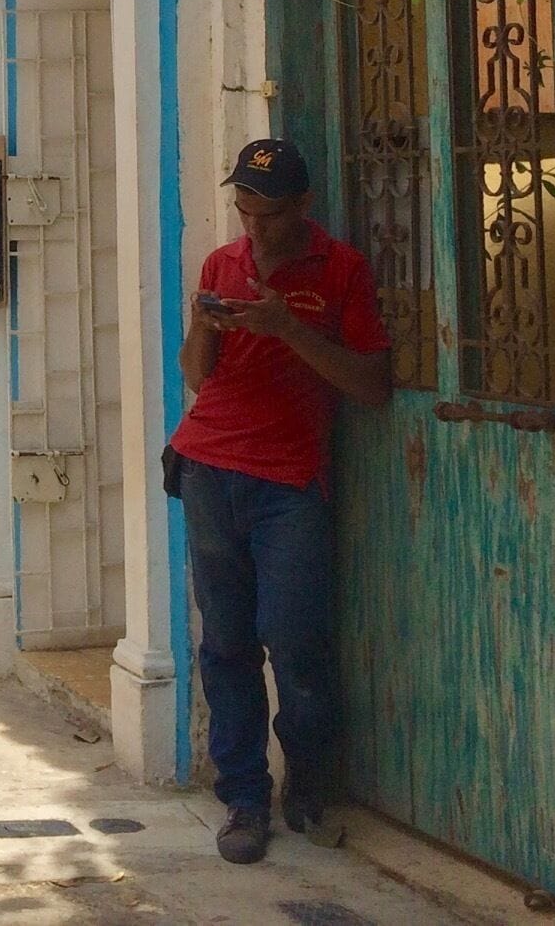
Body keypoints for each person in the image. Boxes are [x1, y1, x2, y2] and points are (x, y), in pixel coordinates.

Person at [170, 138, 391, 866]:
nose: (253, 231)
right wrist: (207, 322)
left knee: (295, 642)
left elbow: (370, 385)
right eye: (242, 213)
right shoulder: (221, 264)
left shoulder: (341, 271)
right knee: (227, 641)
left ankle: (309, 786)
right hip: (208, 467)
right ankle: (242, 796)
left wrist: (287, 328)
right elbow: (200, 378)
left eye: (267, 215)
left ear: (302, 207)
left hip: (290, 480)